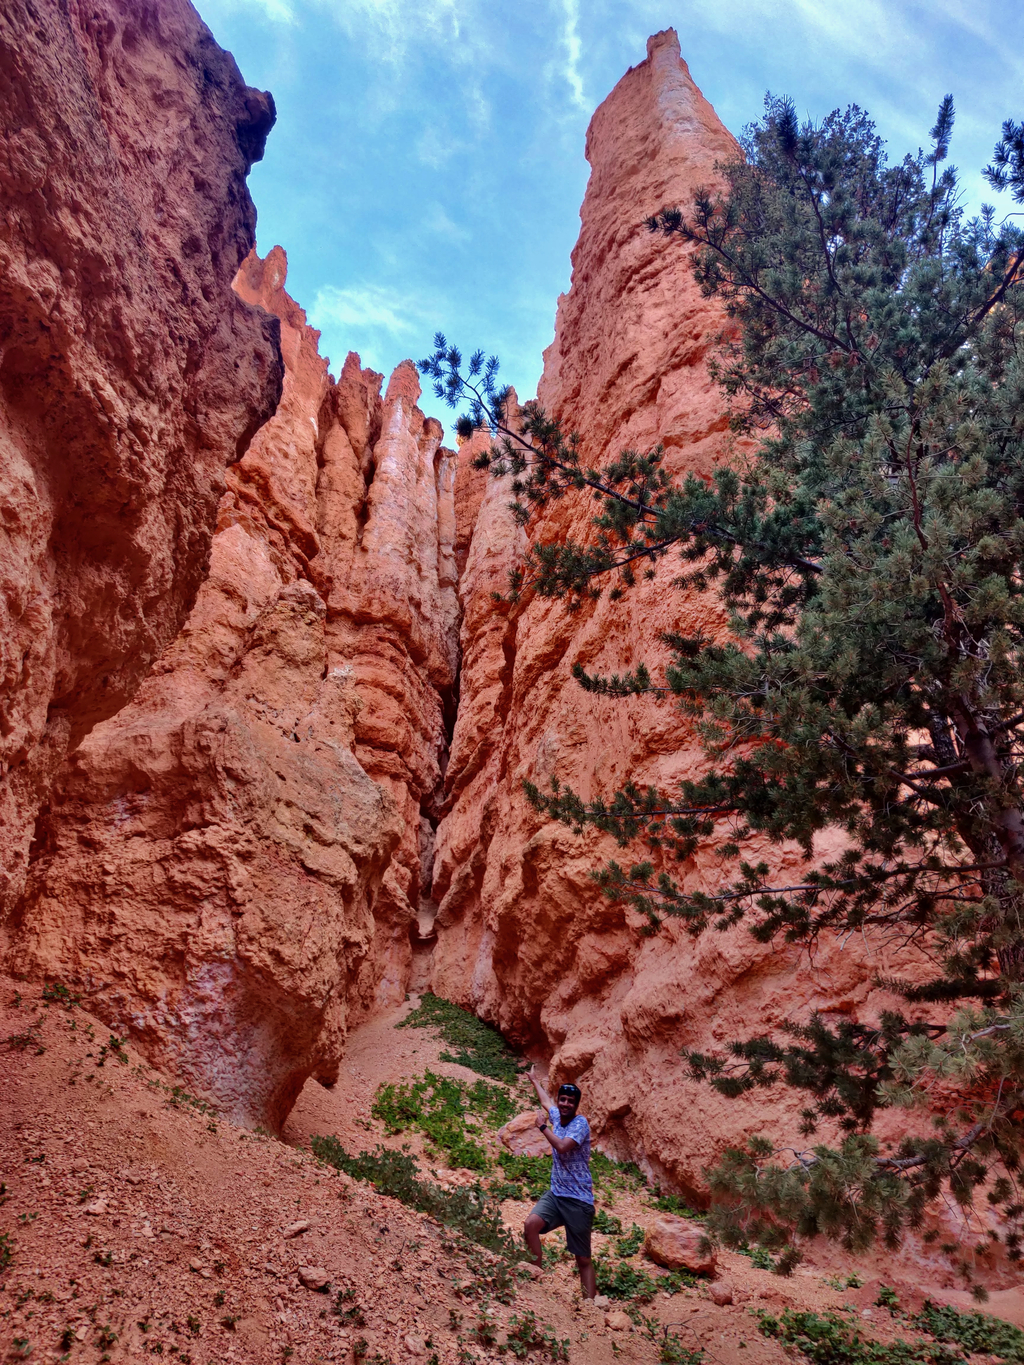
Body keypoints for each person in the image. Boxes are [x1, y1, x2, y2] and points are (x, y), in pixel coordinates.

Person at [523, 1065, 596, 1299]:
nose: (565, 1104)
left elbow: (563, 1147)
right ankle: (536, 1276)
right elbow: (547, 1103)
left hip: (578, 1200)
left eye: (570, 1101)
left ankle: (589, 1306)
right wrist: (534, 1080)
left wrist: (543, 1127)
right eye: (562, 1100)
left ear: (576, 1105)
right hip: (556, 1194)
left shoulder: (579, 1124)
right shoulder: (558, 1116)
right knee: (530, 1224)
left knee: (582, 1259)